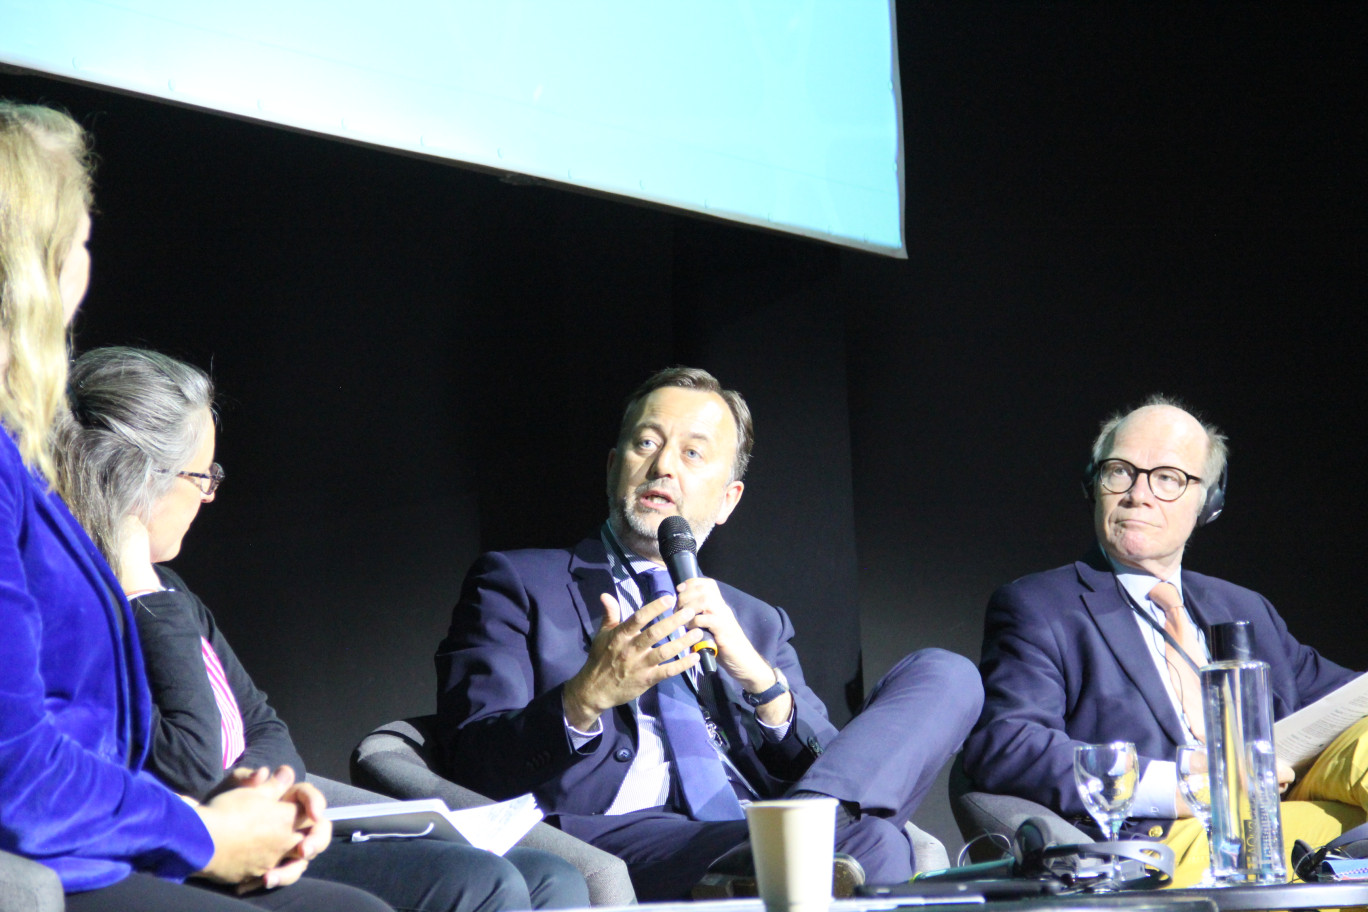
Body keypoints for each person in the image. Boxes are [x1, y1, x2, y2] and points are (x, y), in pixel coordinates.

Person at [0, 101, 390, 911]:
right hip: (64, 863)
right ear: (34, 267)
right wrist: (203, 832)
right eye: (79, 240)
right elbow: (24, 761)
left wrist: (266, 799)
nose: (86, 265)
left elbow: (254, 722)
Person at [57, 345, 591, 912]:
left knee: (550, 877)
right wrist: (139, 586)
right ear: (142, 477)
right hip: (184, 851)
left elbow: (263, 723)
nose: (209, 495)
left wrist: (265, 799)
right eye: (201, 476)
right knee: (479, 884)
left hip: (252, 828)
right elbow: (190, 763)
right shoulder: (96, 603)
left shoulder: (174, 593)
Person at [435, 366, 983, 900]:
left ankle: (802, 831)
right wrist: (585, 697)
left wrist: (764, 687)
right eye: (645, 443)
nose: (663, 466)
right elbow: (472, 765)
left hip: (752, 823)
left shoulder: (755, 620)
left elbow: (841, 764)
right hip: (618, 837)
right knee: (874, 845)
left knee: (946, 673)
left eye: (692, 453)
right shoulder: (518, 582)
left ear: (728, 500)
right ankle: (803, 838)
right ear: (612, 467)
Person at [962, 395, 1368, 886]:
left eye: (1168, 478)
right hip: (1172, 834)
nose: (1139, 494)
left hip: (1278, 807)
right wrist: (1177, 782)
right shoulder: (1040, 606)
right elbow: (1008, 745)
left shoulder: (1243, 607)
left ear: (1208, 503)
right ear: (1094, 485)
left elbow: (1345, 699)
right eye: (1120, 471)